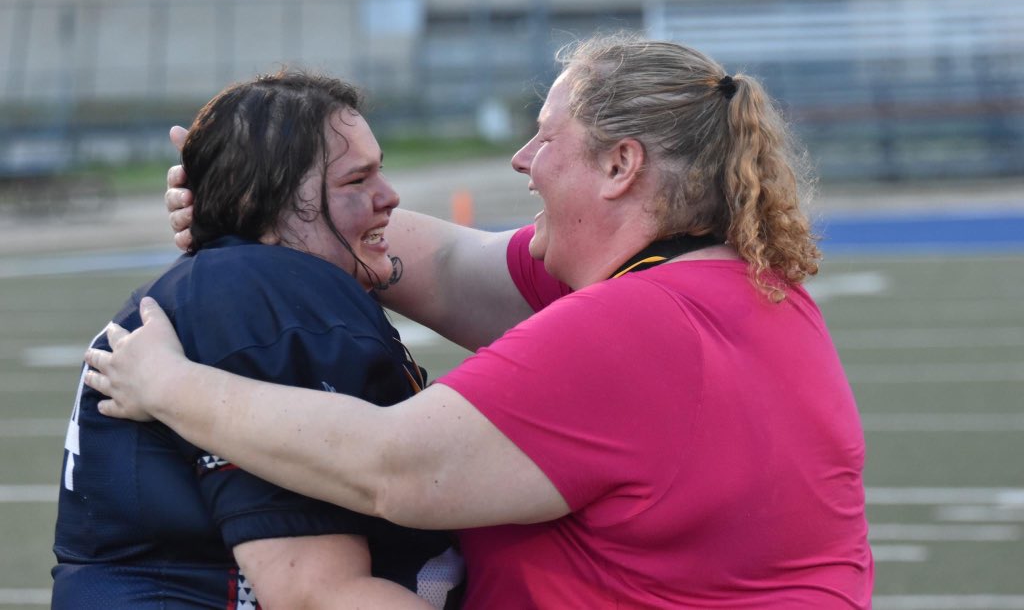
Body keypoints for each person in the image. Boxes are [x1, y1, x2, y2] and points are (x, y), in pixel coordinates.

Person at [86, 35, 874, 608]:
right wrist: (267, 202)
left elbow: (390, 468)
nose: (521, 159)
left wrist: (168, 383)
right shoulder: (737, 288)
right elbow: (453, 267)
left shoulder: (634, 327)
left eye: (547, 136)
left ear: (620, 165)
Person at [53, 71, 463, 609]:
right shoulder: (261, 295)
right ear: (259, 201)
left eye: (377, 172)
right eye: (355, 180)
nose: (390, 197)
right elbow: (315, 594)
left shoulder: (245, 284)